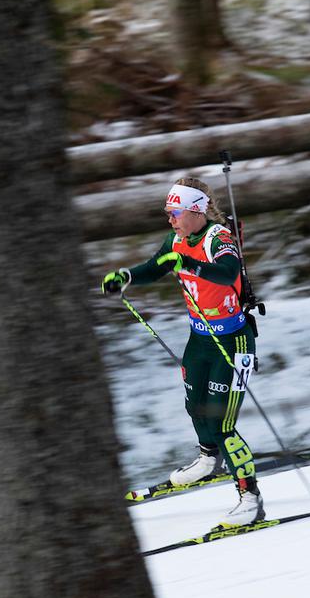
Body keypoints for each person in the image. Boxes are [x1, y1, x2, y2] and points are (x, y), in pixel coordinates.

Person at [101, 177, 263, 527]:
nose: (170, 219)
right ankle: (208, 462)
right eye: (167, 213)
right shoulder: (176, 239)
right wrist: (125, 276)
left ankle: (250, 498)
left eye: (174, 212)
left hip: (232, 341)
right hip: (199, 339)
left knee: (223, 423)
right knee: (195, 407)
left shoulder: (217, 238)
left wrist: (187, 264)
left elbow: (227, 272)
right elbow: (155, 266)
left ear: (195, 211)